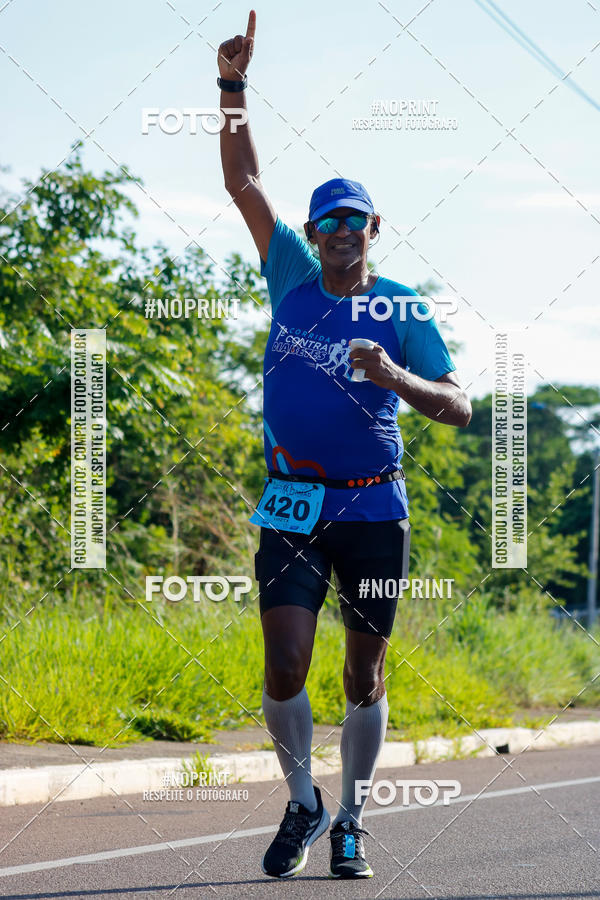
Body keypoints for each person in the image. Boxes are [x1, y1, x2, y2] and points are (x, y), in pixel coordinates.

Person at [217, 10, 472, 881]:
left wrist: (395, 380)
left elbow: (461, 404)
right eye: (326, 221)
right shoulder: (288, 270)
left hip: (373, 501)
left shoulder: (402, 307)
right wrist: (231, 87)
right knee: (285, 662)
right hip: (293, 496)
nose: (336, 232)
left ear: (373, 227)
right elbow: (245, 184)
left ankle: (354, 818)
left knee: (363, 677)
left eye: (351, 221)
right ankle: (302, 800)